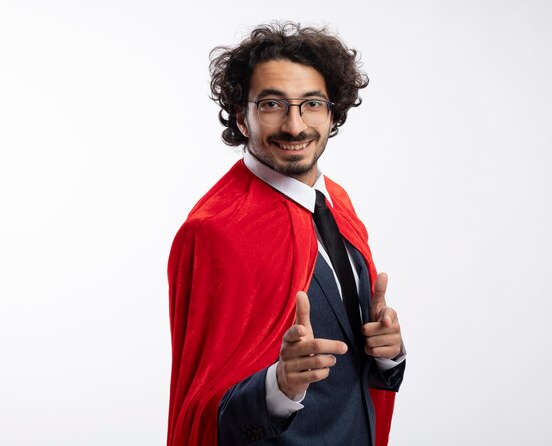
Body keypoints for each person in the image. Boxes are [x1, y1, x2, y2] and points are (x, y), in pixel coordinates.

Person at [167, 22, 406, 446]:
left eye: (311, 103)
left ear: (333, 113)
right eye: (273, 104)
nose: (295, 126)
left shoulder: (337, 204)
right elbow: (201, 412)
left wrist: (389, 354)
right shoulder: (215, 230)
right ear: (242, 116)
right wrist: (280, 386)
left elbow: (355, 373)